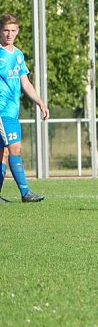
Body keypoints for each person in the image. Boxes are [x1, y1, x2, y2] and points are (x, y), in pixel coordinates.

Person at [0, 14, 49, 203]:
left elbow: (25, 83)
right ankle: (25, 192)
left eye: (13, 30)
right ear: (0, 31)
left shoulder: (18, 55)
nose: (9, 34)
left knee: (3, 153)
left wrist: (40, 102)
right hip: (2, 112)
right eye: (6, 30)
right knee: (15, 148)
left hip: (13, 112)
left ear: (18, 31)